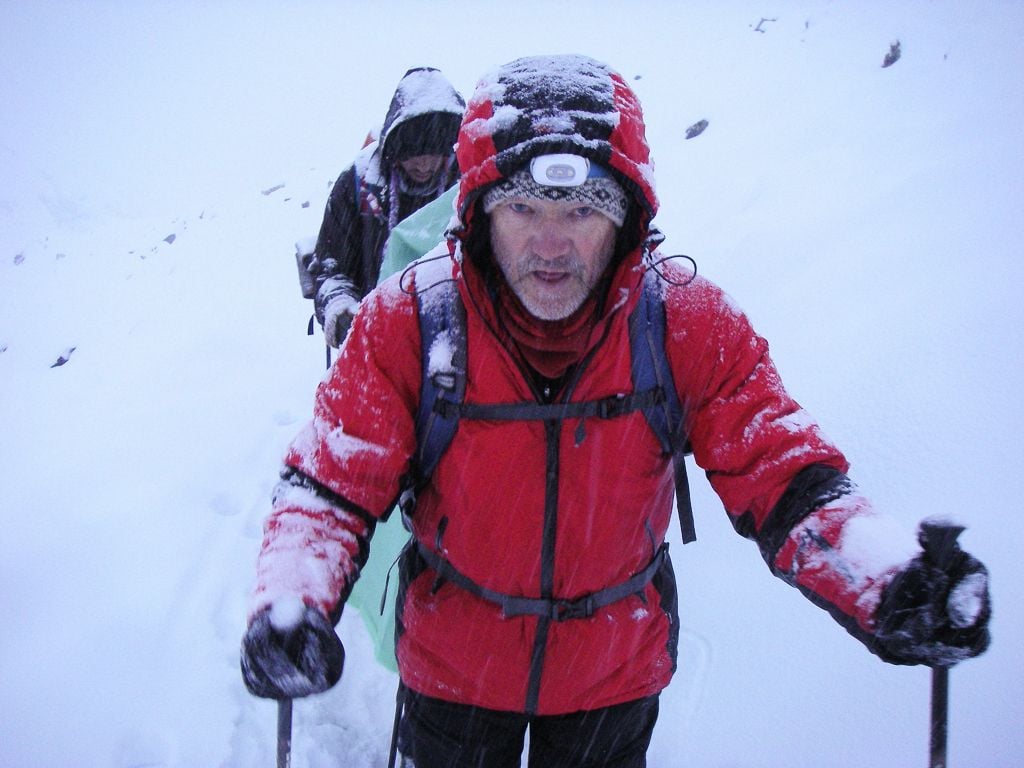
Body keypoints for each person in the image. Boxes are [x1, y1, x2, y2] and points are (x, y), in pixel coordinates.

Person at [241, 54, 991, 767]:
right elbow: (327, 487)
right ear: (477, 213)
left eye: (583, 208)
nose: (549, 243)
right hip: (453, 675)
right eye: (523, 205)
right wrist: (291, 597)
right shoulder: (409, 322)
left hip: (611, 678)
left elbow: (783, 472)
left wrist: (889, 581)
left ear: (627, 214)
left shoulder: (685, 323)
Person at [304, 66, 465, 347]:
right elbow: (331, 268)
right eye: (412, 155)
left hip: (457, 329)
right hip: (376, 329)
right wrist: (341, 309)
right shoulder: (359, 184)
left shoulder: (468, 181)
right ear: (393, 147)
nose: (424, 165)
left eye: (433, 155)